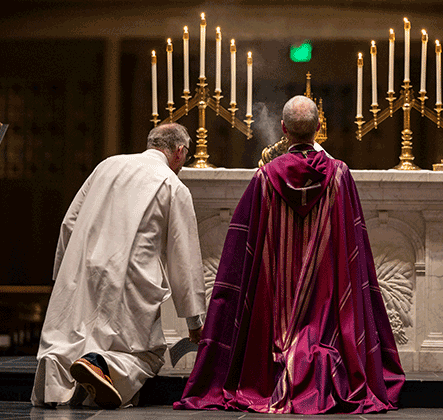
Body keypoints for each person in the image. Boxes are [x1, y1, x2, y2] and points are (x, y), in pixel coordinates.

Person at [174, 95, 405, 414]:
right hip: (326, 289)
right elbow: (352, 241)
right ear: (319, 128)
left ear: (283, 129)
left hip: (275, 293)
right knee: (323, 323)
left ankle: (277, 371)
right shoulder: (339, 174)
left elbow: (244, 244)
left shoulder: (266, 176)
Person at [31, 123, 206, 409]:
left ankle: (54, 391)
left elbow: (69, 223)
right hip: (129, 277)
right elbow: (183, 258)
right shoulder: (173, 185)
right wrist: (194, 321)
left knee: (69, 340)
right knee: (145, 352)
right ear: (179, 152)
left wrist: (63, 275)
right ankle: (103, 365)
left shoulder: (107, 166)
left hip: (83, 270)